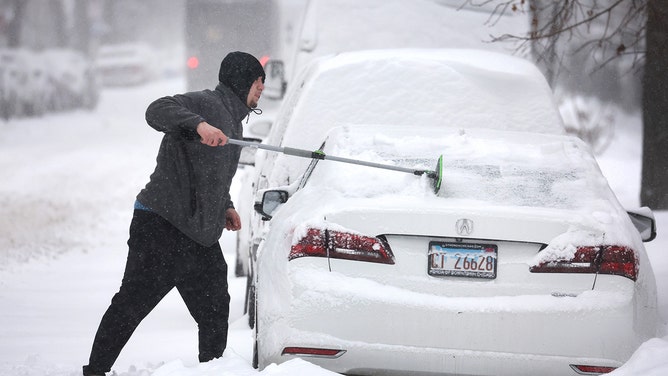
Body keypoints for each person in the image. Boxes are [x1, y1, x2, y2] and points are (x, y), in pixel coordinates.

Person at [82, 51, 265, 376]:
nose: (260, 90)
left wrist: (225, 206)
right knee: (132, 305)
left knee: (214, 308)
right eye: (257, 83)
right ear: (241, 82)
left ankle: (213, 370)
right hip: (162, 226)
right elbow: (157, 110)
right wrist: (199, 125)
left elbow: (214, 177)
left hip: (199, 236)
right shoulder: (206, 104)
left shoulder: (234, 122)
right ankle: (95, 371)